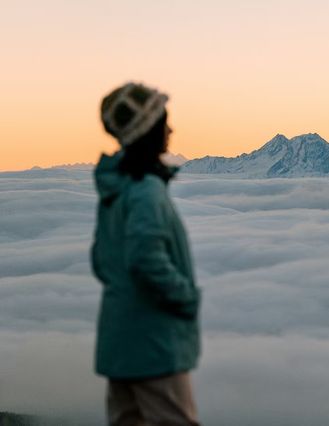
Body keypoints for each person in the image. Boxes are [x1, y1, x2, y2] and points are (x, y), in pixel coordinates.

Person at [90, 81, 201, 426]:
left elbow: (101, 259)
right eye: (163, 121)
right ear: (148, 131)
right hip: (153, 344)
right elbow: (145, 259)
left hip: (119, 340)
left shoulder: (117, 189)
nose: (170, 129)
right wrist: (184, 297)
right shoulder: (146, 191)